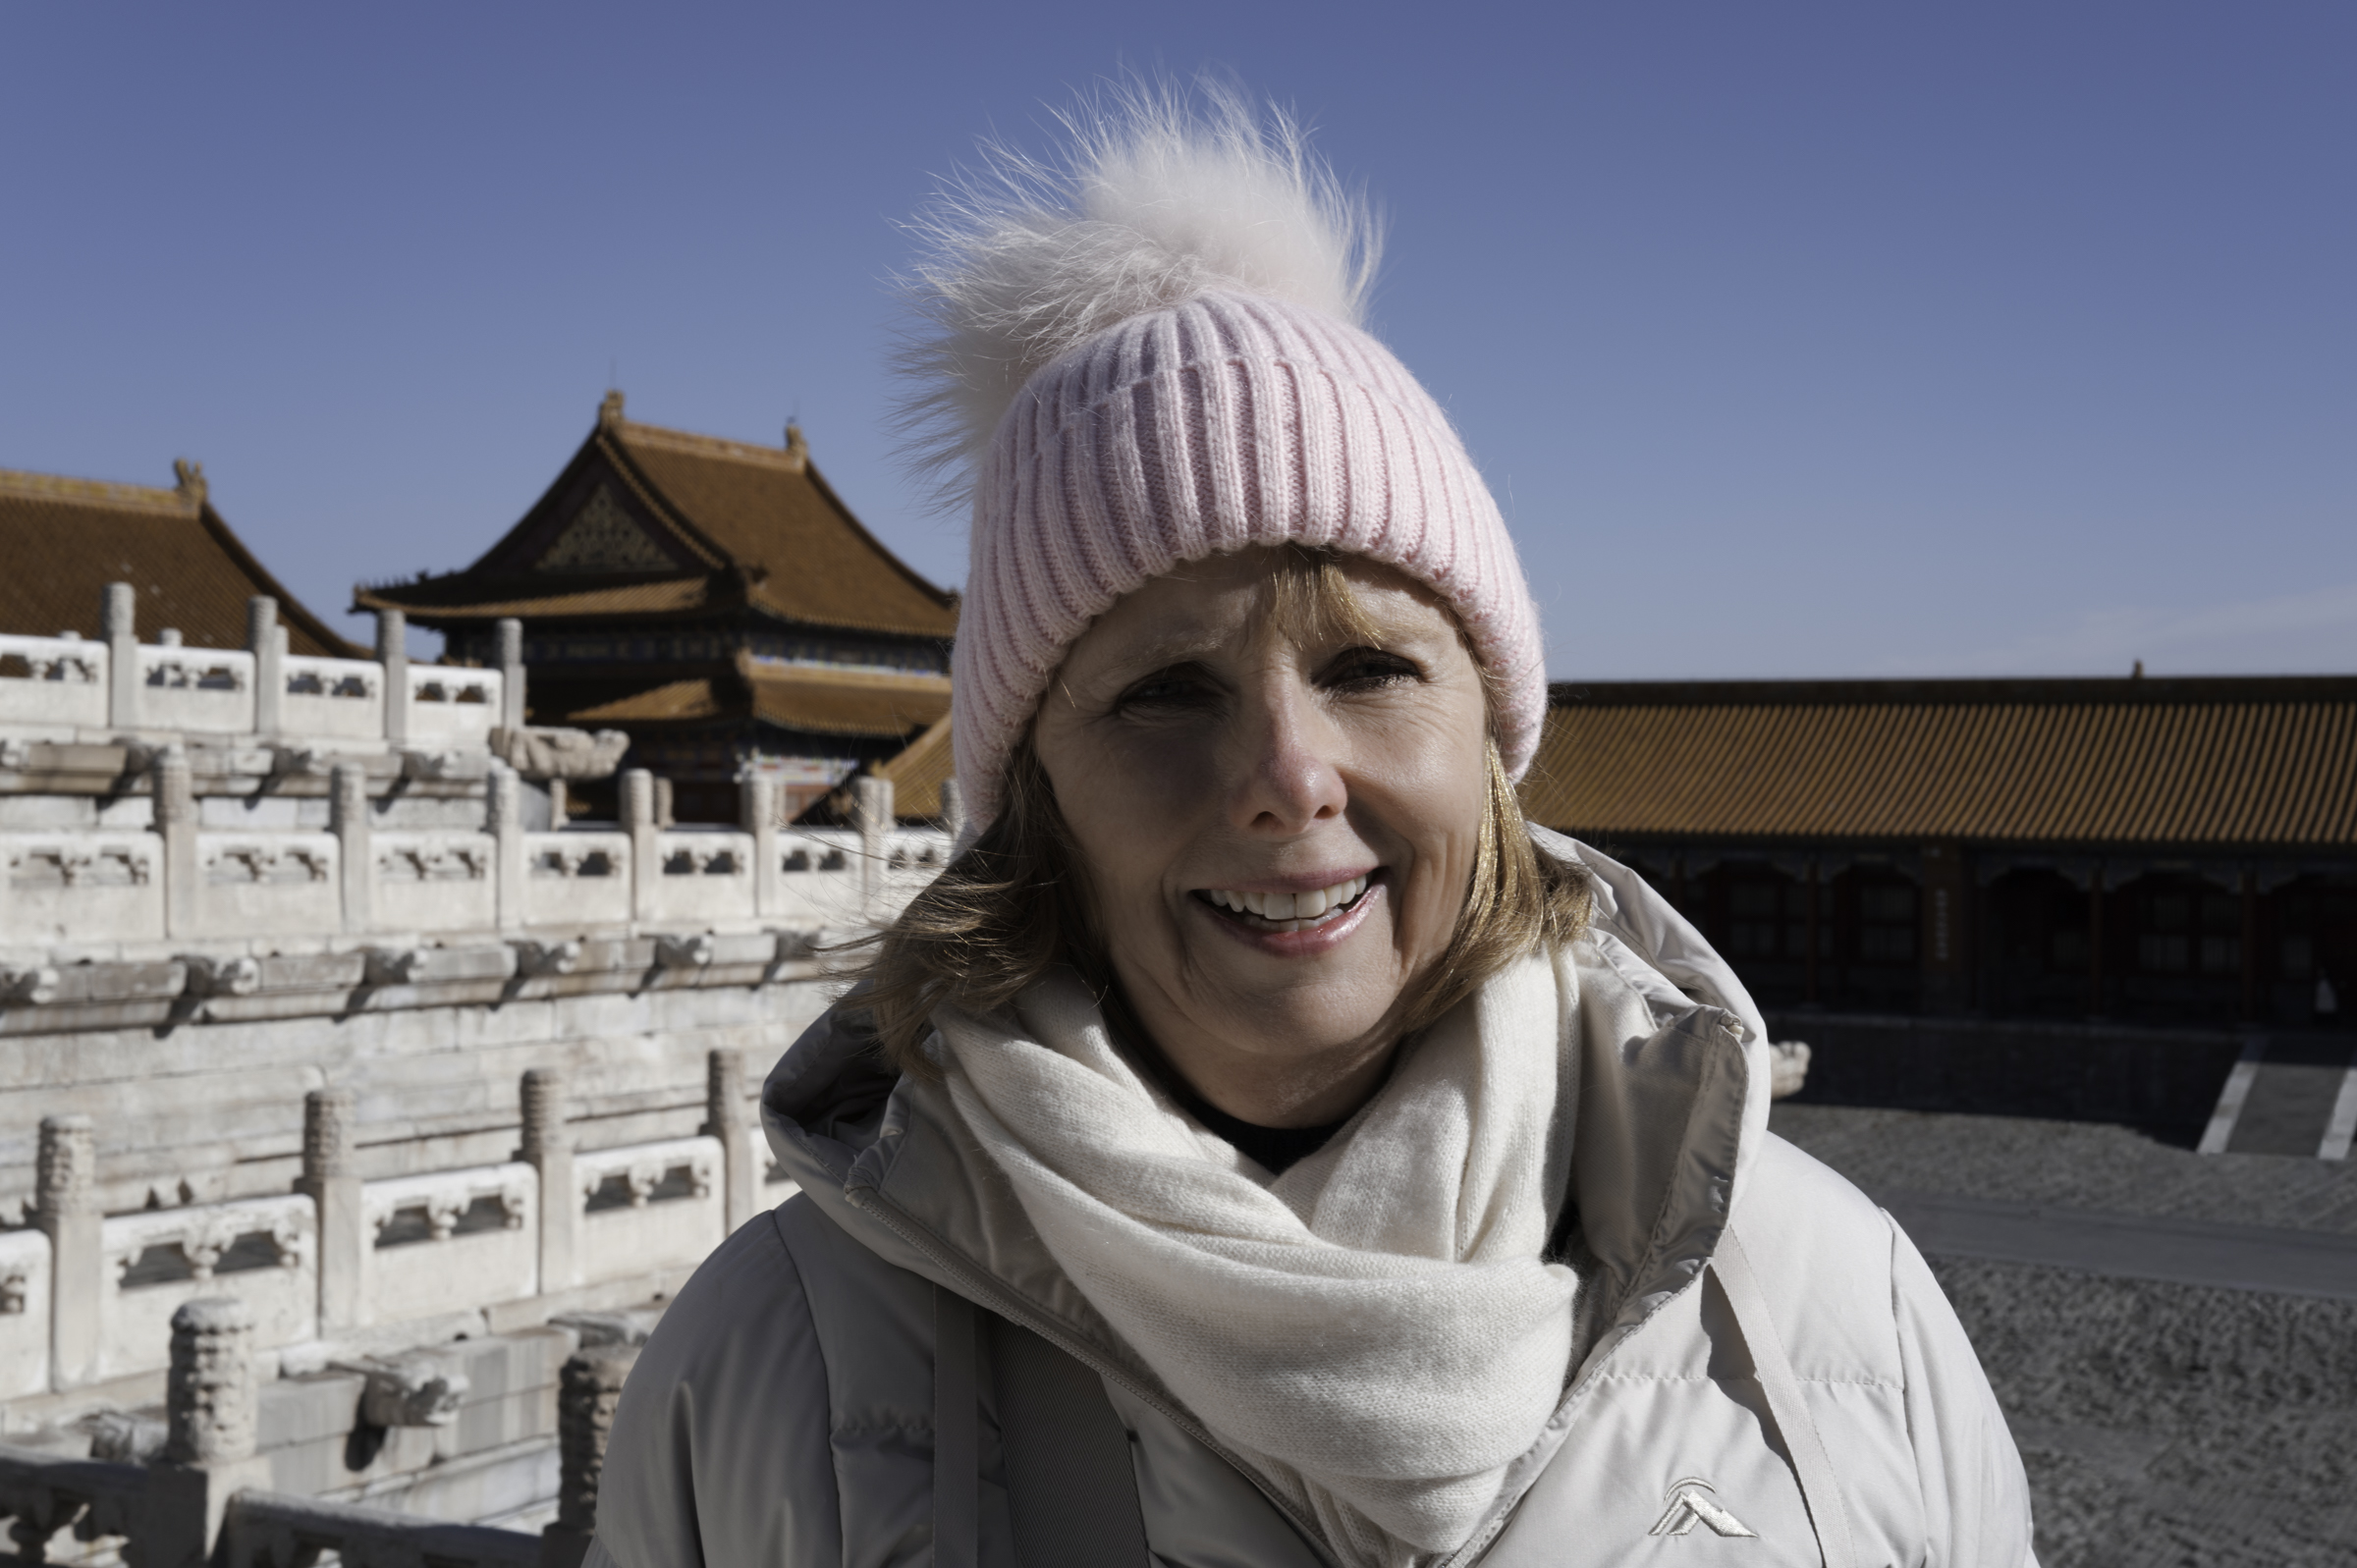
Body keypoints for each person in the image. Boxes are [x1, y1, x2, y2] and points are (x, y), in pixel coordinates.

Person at [589, 89, 2035, 1568]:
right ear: (1032, 800)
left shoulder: (1834, 1316)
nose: (1287, 774)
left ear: (1491, 738)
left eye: (1371, 667)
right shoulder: (766, 1377)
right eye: (1164, 691)